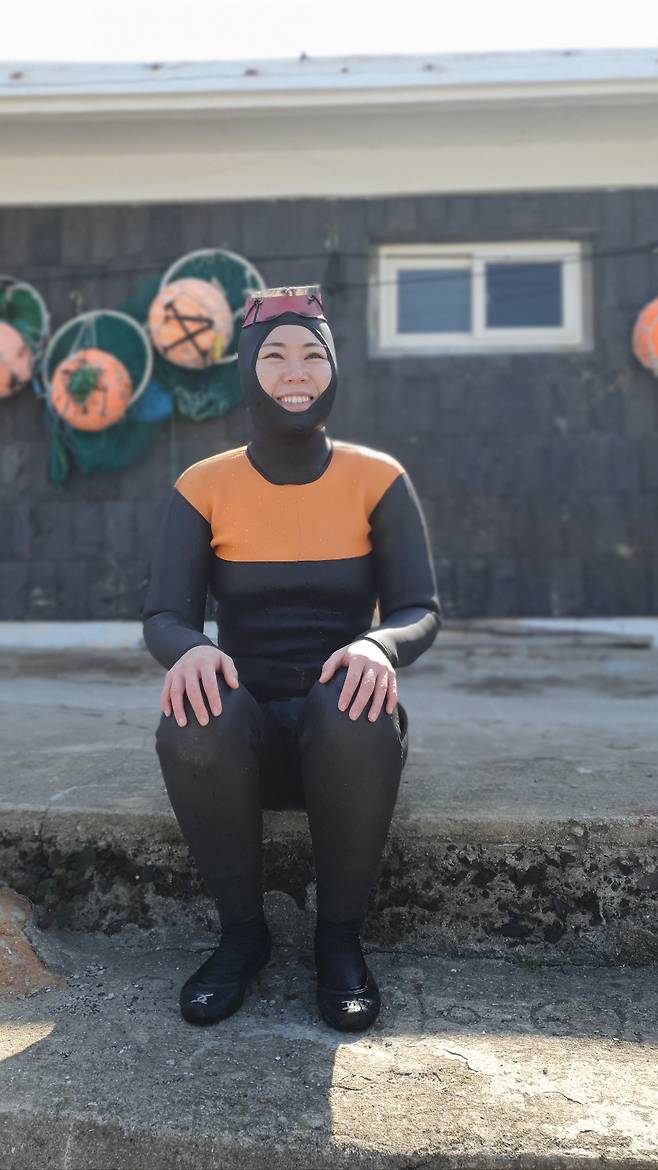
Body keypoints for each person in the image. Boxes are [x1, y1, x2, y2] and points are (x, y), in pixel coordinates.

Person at [141, 285, 441, 1033]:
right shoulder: (204, 485)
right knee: (193, 714)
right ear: (248, 370)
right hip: (246, 742)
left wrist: (377, 644)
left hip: (346, 743)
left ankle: (338, 941)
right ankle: (242, 936)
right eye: (274, 356)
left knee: (353, 704)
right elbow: (165, 616)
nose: (295, 371)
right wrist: (190, 650)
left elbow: (419, 609)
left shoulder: (377, 478)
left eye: (313, 354)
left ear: (334, 369)